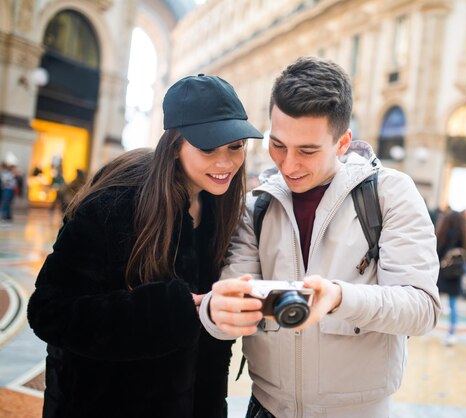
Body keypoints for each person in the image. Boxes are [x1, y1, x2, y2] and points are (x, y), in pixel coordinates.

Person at [199, 57, 441, 417]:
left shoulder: (391, 194)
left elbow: (421, 309)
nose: (289, 164)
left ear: (343, 142)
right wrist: (214, 312)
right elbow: (231, 293)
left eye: (307, 151)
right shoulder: (257, 205)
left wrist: (339, 298)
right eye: (277, 145)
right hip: (265, 408)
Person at [27, 74, 263, 418]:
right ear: (175, 145)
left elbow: (210, 355)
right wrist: (180, 310)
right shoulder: (116, 203)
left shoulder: (221, 209)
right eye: (208, 147)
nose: (225, 163)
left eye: (235, 146)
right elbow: (50, 312)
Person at [435, 210, 466, 346]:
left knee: (433, 299)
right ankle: (452, 332)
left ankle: (424, 326)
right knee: (453, 304)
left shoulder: (444, 234)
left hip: (443, 272)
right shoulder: (464, 236)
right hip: (456, 274)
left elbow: (437, 252)